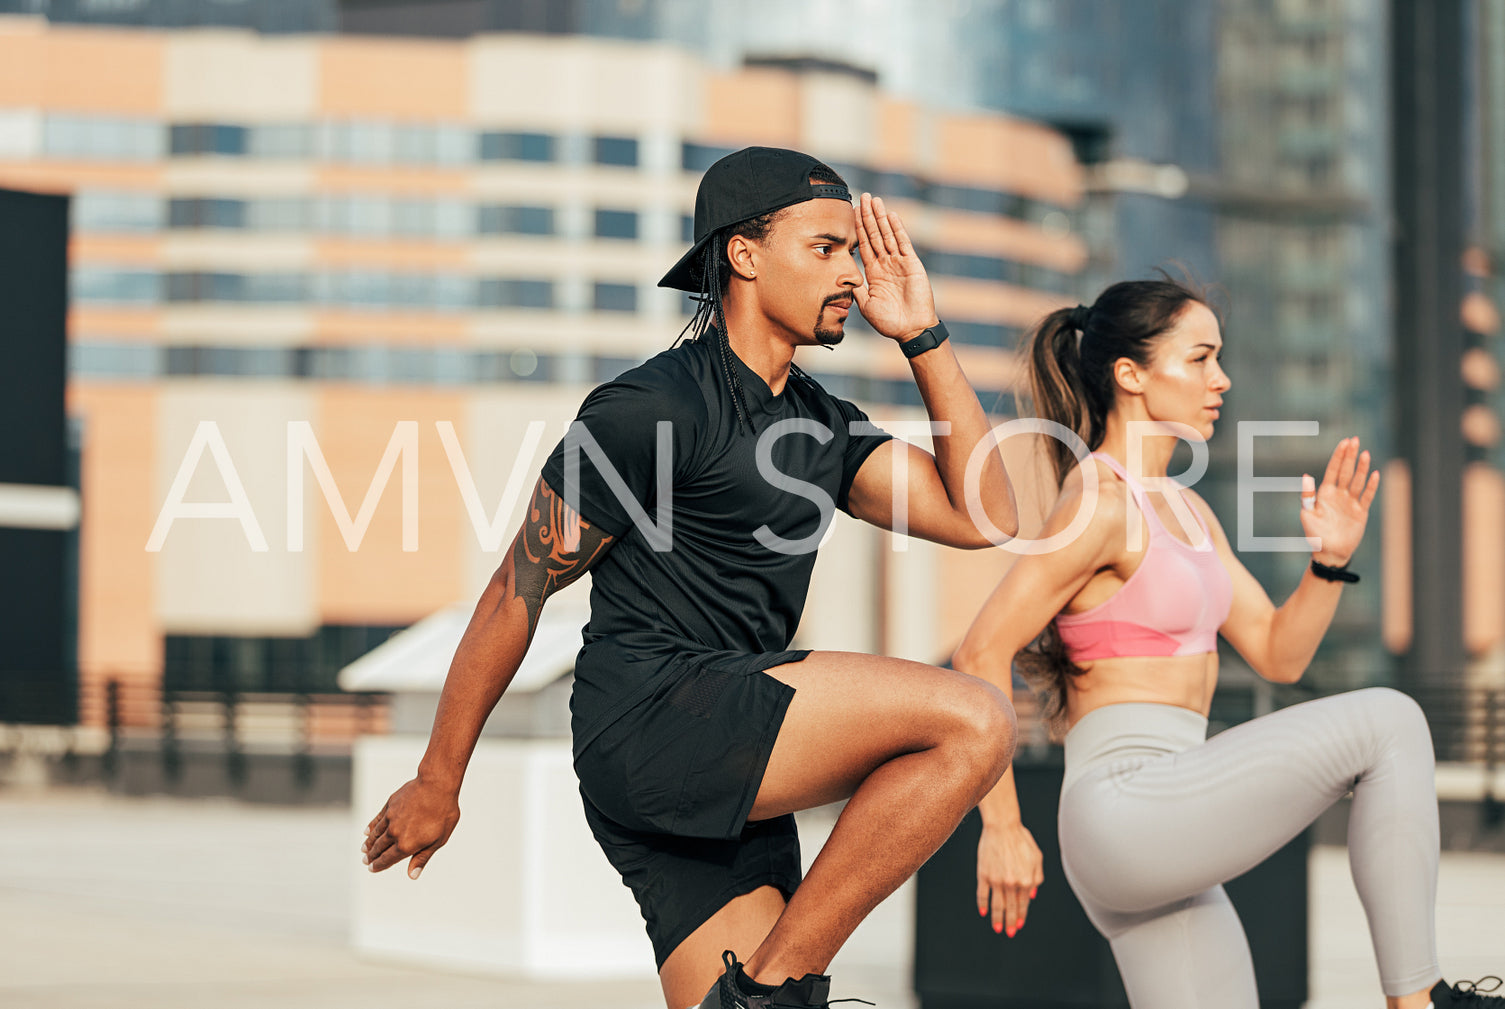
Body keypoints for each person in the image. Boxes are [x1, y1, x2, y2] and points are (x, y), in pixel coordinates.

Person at [359, 147, 1022, 1009]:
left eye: (852, 251)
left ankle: (760, 997)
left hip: (733, 747)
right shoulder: (649, 407)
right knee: (973, 718)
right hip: (650, 719)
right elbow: (514, 589)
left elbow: (982, 515)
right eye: (826, 248)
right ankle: (773, 991)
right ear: (744, 254)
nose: (853, 275)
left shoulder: (822, 426)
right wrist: (440, 778)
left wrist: (924, 339)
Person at [952, 277, 1504, 1009]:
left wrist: (1328, 562)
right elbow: (980, 650)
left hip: (1170, 816)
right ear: (1131, 374)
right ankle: (1417, 998)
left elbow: (1278, 653)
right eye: (1201, 357)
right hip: (1125, 806)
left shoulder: (1186, 511)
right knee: (1390, 720)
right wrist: (1002, 826)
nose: (1222, 379)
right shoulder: (1099, 501)